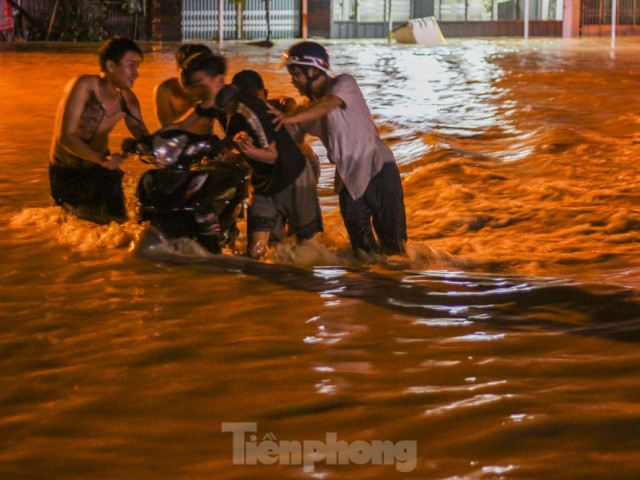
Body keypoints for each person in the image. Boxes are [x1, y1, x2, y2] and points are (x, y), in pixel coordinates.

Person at [269, 41, 407, 255]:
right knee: (363, 253)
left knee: (396, 248)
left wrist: (289, 117)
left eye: (295, 73)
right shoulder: (305, 113)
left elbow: (328, 104)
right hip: (347, 179)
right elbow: (287, 142)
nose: (292, 81)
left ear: (314, 70)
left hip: (380, 170)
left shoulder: (344, 83)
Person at [49, 36, 148, 224]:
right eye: (131, 65)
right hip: (66, 172)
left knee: (119, 228)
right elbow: (66, 138)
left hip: (101, 169)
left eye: (137, 66)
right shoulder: (84, 86)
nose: (136, 73)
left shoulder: (128, 101)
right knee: (75, 229)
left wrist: (146, 146)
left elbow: (142, 133)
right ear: (110, 66)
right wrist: (103, 160)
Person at [231, 69, 321, 183]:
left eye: (255, 98)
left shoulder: (280, 107)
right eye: (245, 100)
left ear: (266, 94)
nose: (251, 104)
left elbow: (288, 103)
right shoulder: (235, 115)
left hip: (303, 164)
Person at [153, 42, 213, 128]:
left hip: (205, 139)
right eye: (188, 72)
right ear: (179, 69)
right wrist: (199, 107)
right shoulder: (165, 90)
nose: (192, 81)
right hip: (175, 139)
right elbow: (166, 130)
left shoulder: (209, 88)